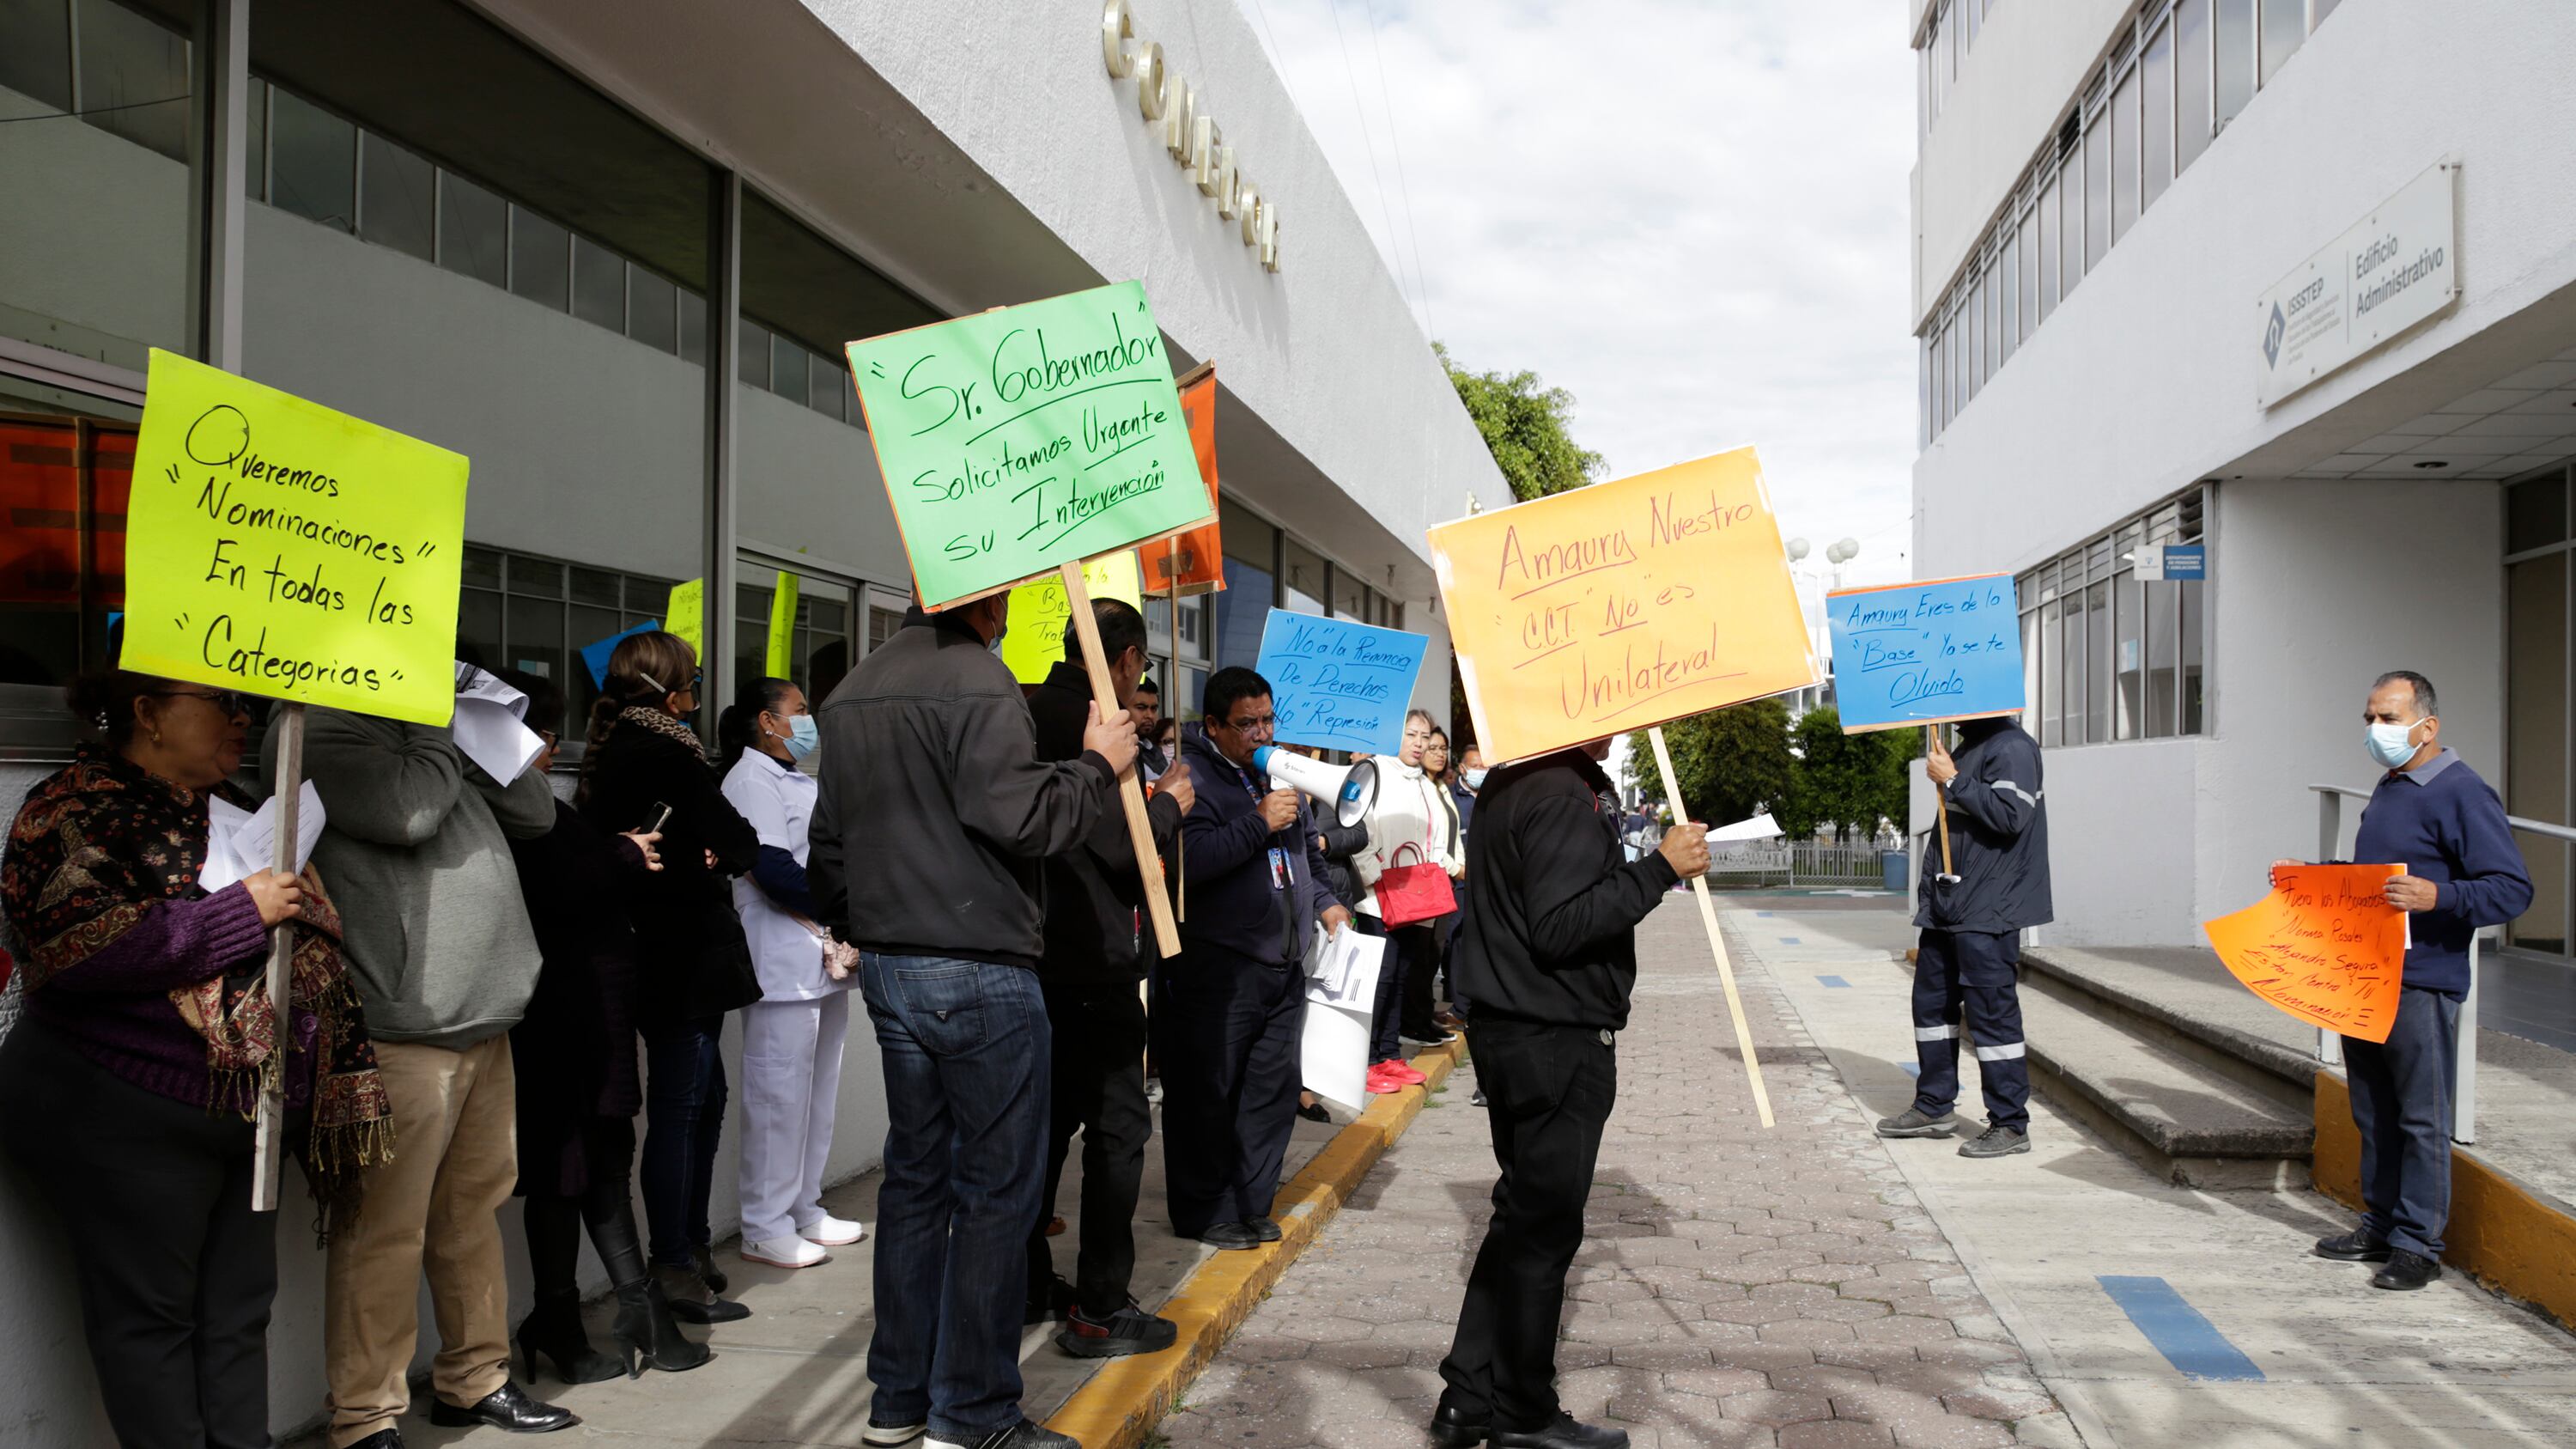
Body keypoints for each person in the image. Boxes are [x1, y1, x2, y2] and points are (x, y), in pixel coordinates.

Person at [2, 673, 392, 1449]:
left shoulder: (241, 812)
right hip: (119, 1106)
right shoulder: (72, 808)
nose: (241, 721)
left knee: (240, 1312)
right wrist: (238, 913)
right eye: (219, 702)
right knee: (151, 1321)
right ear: (146, 712)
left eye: (245, 705)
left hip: (243, 1114)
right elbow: (70, 949)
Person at [808, 589, 1136, 1449]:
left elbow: (827, 851)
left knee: (916, 1186)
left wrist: (874, 923)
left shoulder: (852, 690)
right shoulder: (979, 683)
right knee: (995, 1195)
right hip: (977, 965)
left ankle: (899, 1403)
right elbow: (1025, 817)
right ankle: (974, 1413)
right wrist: (1098, 765)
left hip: (893, 963)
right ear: (986, 601)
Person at [280, 666, 574, 1444]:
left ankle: (474, 1378)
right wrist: (440, 728)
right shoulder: (323, 723)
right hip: (403, 1027)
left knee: (470, 1215)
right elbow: (403, 812)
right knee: (384, 1229)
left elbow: (537, 811)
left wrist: (478, 734)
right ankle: (366, 1413)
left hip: (484, 1017)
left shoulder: (432, 737)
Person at [1431, 737, 1709, 1449]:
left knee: (1519, 1216)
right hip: (1551, 1037)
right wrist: (1659, 868)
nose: (1617, 724)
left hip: (1520, 1030)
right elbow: (1561, 927)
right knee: (1542, 1234)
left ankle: (1470, 1394)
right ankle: (1524, 1414)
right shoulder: (1557, 791)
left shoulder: (1520, 779)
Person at [495, 670, 710, 1382]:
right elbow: (556, 886)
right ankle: (604, 1310)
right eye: (540, 732)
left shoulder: (534, 800)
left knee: (594, 1158)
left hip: (587, 1004)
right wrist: (621, 854)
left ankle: (605, 1309)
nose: (548, 748)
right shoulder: (507, 802)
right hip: (564, 1008)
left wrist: (614, 849)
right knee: (571, 1163)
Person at [2296, 671, 2530, 1292]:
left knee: (2421, 1117)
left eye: (2389, 718)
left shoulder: (2463, 792)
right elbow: (2380, 877)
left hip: (2420, 982)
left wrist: (2439, 895)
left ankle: (2417, 1244)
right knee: (2373, 1109)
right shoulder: (2390, 786)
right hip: (2364, 976)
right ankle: (2380, 1222)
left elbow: (2512, 888)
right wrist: (2321, 879)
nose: (2376, 730)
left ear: (2428, 726)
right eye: (2370, 718)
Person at [1021, 600, 1192, 1356]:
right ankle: (1098, 1304)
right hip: (1090, 959)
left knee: (1043, 1131)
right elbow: (1119, 851)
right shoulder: (1099, 729)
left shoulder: (1021, 711)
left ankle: (1026, 1279)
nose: (1141, 681)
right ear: (1124, 659)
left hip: (1032, 958)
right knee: (1119, 1132)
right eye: (1142, 668)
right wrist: (1166, 806)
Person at [579, 632, 763, 1324]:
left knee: (700, 1099)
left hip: (651, 952)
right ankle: (675, 1262)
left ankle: (686, 1247)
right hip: (679, 955)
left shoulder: (620, 747)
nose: (697, 693)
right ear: (672, 690)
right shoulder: (666, 752)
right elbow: (738, 838)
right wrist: (717, 852)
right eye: (695, 678)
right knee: (685, 1108)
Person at [1163, 667, 1351, 1250]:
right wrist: (1257, 820)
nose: (1262, 732)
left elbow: (1303, 857)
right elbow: (1189, 861)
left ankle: (1250, 1200)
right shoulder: (1190, 780)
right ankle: (1206, 1208)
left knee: (1268, 1093)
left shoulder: (1271, 773)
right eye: (1248, 723)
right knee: (1208, 1093)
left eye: (1269, 719)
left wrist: (1325, 904)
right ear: (1214, 724)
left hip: (1282, 964)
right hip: (1220, 966)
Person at [717, 676, 866, 1272]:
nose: (808, 720)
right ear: (767, 721)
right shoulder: (750, 779)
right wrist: (845, 908)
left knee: (817, 1090)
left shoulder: (796, 778)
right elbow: (772, 867)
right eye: (799, 710)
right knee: (777, 1097)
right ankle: (764, 1222)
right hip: (782, 954)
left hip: (820, 955)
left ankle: (804, 1204)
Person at [1875, 714, 2052, 1160]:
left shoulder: (2011, 747)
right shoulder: (1970, 744)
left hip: (1988, 908)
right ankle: (1934, 1105)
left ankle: (2010, 1123)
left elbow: (2012, 817)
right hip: (1948, 905)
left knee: (1992, 1015)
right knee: (1931, 1008)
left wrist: (1953, 779)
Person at [1352, 709, 1462, 1089]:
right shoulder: (1374, 773)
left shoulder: (1426, 785)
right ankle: (1365, 1061)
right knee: (1380, 981)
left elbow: (1435, 840)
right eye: (1410, 734)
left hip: (1414, 899)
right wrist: (1376, 877)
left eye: (1423, 736)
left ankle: (1389, 1055)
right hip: (1378, 898)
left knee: (1402, 978)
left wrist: (1432, 876)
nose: (1418, 743)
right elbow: (1357, 826)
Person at [1422, 728, 1469, 1034]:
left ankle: (1424, 1016)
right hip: (1431, 878)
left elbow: (1453, 836)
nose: (1440, 754)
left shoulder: (1441, 787)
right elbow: (1432, 842)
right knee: (1424, 954)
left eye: (1444, 748)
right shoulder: (1419, 787)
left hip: (1447, 880)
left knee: (1434, 952)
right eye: (1433, 747)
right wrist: (1458, 869)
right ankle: (1417, 1021)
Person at [1132, 673, 1168, 778]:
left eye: (1154, 709)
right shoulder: (1121, 752)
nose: (1150, 715)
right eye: (1141, 707)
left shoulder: (1154, 750)